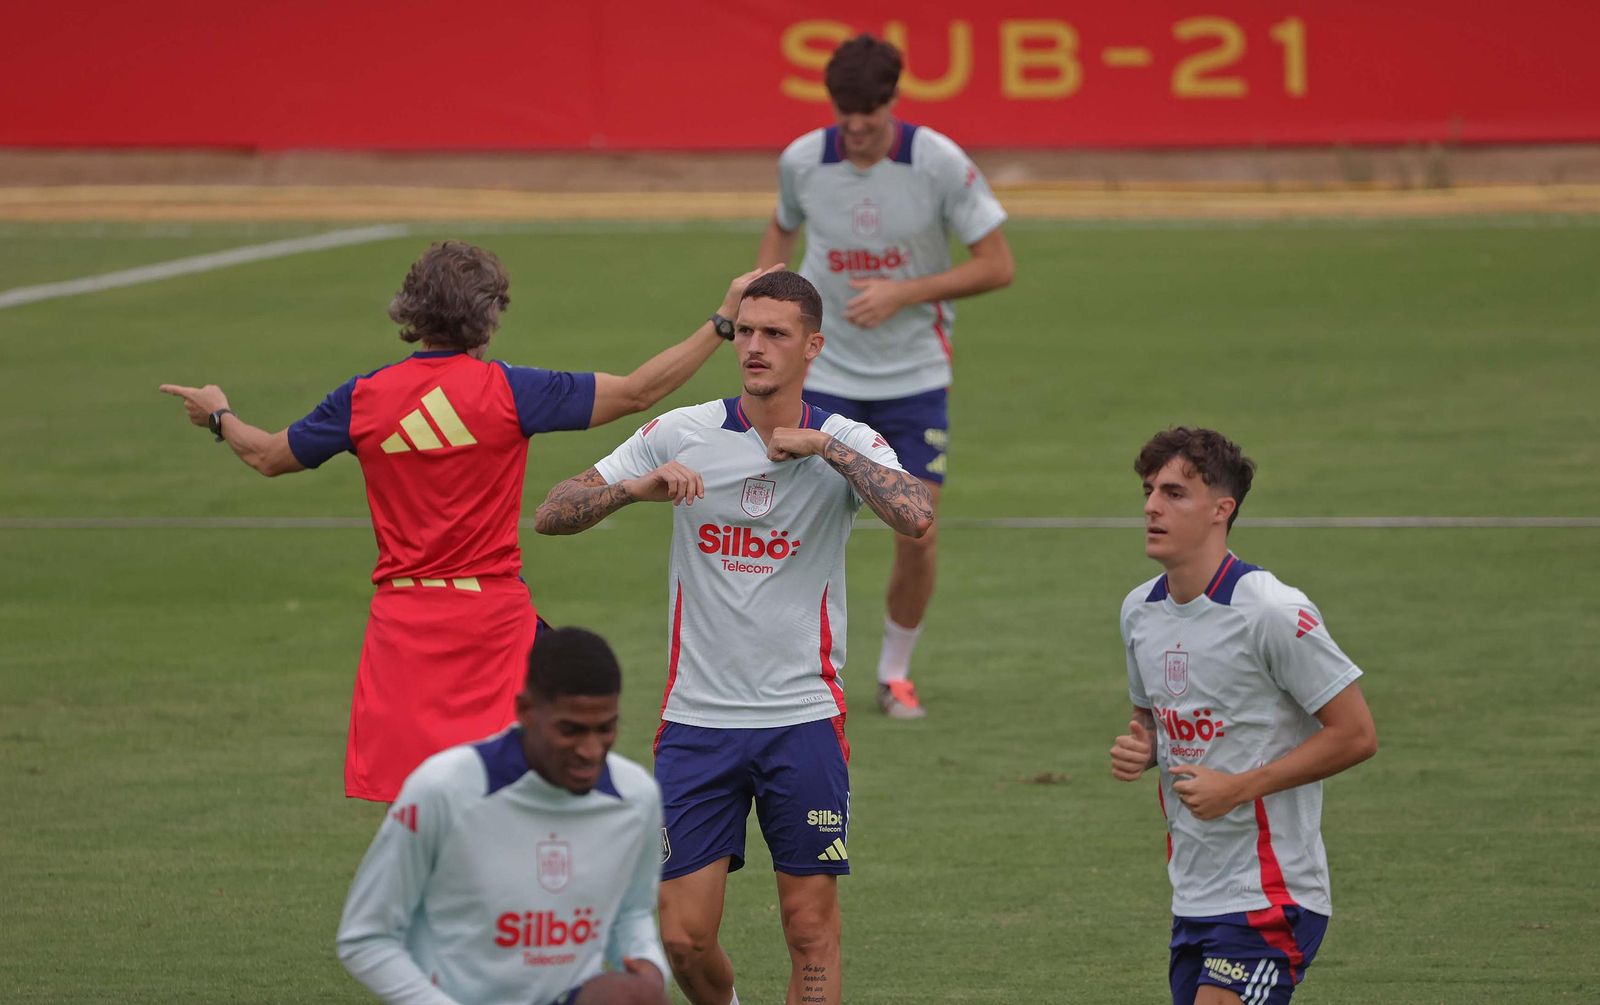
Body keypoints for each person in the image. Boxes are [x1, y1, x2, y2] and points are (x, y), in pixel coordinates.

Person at [160, 240, 779, 802]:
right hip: (491, 625)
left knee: (422, 812)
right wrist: (722, 321)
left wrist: (219, 415)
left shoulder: (363, 398)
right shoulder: (511, 391)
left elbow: (267, 455)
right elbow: (641, 391)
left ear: (412, 312)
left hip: (402, 630)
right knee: (526, 789)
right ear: (487, 317)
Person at [533, 271, 933, 1005]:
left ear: (812, 345)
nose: (753, 346)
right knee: (683, 936)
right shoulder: (682, 432)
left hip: (803, 720)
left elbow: (916, 516)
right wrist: (632, 488)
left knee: (809, 928)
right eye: (746, 330)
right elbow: (552, 511)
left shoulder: (844, 438)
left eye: (775, 334)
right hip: (697, 722)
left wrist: (826, 450)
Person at [756, 32, 1014, 719]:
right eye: (846, 110)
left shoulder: (938, 163)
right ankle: (788, 668)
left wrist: (905, 291)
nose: (857, 124)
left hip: (913, 376)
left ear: (893, 102)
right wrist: (767, 301)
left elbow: (997, 264)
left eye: (869, 110)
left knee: (916, 529)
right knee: (786, 517)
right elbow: (781, 231)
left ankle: (894, 672)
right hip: (824, 368)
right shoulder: (803, 162)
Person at [1109, 427, 1379, 1005]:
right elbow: (1153, 722)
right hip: (1193, 893)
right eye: (1149, 490)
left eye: (1176, 493)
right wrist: (1144, 748)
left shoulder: (1271, 611)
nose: (1153, 505)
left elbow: (1356, 734)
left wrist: (1238, 788)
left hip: (1270, 893)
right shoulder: (1140, 611)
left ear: (1220, 510)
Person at [336, 626, 670, 1005]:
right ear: (526, 710)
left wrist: (649, 968)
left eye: (605, 729)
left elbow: (630, 913)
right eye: (570, 730)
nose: (591, 751)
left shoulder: (636, 798)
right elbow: (366, 937)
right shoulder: (443, 790)